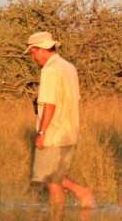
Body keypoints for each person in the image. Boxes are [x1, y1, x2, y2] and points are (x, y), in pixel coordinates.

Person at [27, 32, 94, 208]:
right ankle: (74, 201)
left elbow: (50, 104)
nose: (33, 57)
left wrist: (42, 133)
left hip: (54, 132)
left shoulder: (50, 70)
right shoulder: (68, 67)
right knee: (55, 177)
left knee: (50, 180)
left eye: (33, 52)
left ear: (40, 49)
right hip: (69, 130)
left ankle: (80, 193)